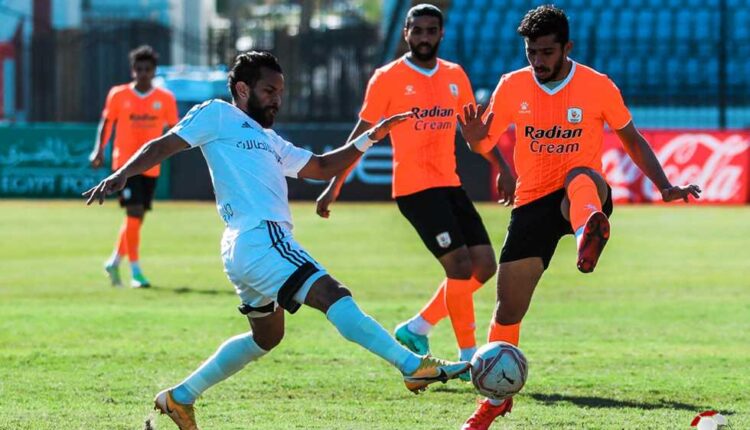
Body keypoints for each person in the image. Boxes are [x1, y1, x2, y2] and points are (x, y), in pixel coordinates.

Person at [83, 51, 470, 430]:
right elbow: (162, 144)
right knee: (332, 294)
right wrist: (122, 173)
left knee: (267, 337)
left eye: (280, 92)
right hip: (260, 236)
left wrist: (371, 136)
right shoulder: (217, 114)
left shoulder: (269, 139)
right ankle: (411, 366)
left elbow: (322, 166)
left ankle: (180, 397)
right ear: (242, 89)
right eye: (269, 91)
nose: (277, 100)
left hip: (247, 247)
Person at [456, 6, 702, 429]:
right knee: (508, 309)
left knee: (580, 177)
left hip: (584, 193)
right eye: (531, 52)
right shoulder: (512, 85)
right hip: (532, 202)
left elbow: (631, 139)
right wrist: (475, 141)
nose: (538, 61)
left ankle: (589, 230)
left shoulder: (597, 86)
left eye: (547, 52)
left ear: (567, 47)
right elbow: (484, 141)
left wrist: (663, 185)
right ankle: (496, 399)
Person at [316, 4, 506, 375]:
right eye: (417, 30)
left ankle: (418, 327)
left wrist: (502, 167)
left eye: (431, 31)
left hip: (450, 183)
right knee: (459, 266)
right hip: (415, 189)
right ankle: (469, 357)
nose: (424, 37)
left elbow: (474, 129)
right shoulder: (387, 78)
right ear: (406, 33)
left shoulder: (454, 75)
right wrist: (334, 184)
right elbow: (362, 135)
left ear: (441, 34)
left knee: (484, 266)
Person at [89, 45, 179, 288]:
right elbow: (107, 123)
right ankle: (136, 271)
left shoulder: (165, 98)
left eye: (147, 69)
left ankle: (114, 261)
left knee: (136, 218)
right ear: (132, 70)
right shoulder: (118, 95)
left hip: (150, 165)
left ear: (154, 71)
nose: (143, 73)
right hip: (124, 166)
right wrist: (99, 150)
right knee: (134, 212)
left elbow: (175, 129)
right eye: (139, 69)